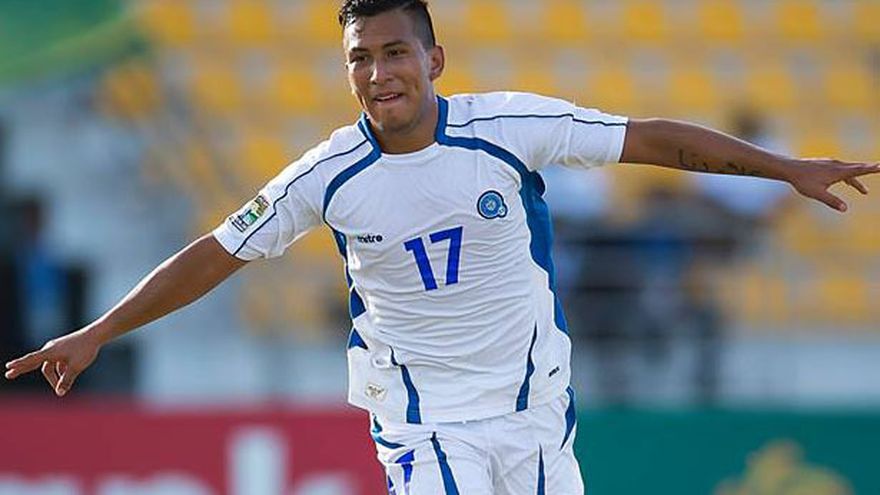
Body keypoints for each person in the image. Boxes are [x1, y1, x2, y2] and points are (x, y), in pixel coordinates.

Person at [5, 1, 878, 493]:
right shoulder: (327, 174)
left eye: (395, 52)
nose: (378, 72)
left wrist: (786, 169)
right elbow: (216, 252)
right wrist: (98, 330)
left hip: (536, 410)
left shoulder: (510, 129)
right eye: (360, 58)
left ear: (435, 60)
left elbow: (648, 138)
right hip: (424, 422)